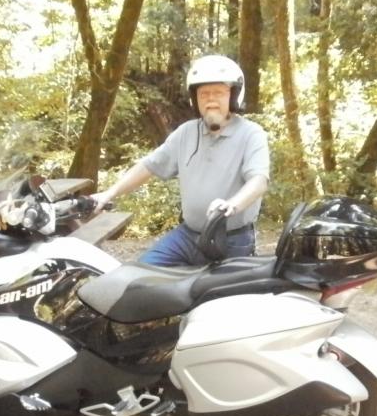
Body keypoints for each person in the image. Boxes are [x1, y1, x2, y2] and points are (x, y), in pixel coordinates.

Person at [91, 54, 270, 267]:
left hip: (232, 239)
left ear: (233, 96)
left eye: (218, 93)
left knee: (220, 290)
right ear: (195, 99)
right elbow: (149, 166)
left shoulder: (251, 134)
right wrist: (109, 193)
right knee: (139, 274)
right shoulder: (185, 133)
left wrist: (231, 205)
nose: (211, 100)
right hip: (188, 235)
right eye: (204, 94)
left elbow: (258, 181)